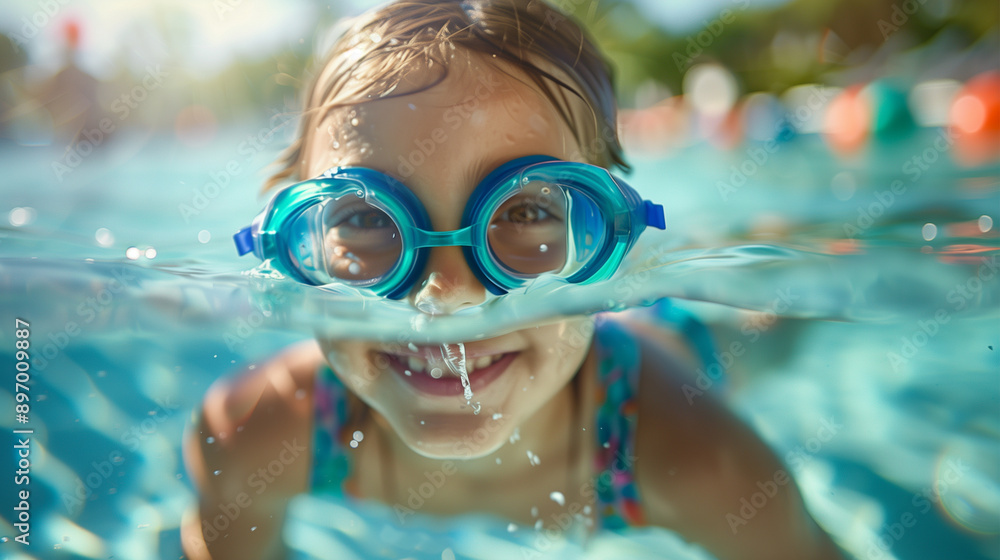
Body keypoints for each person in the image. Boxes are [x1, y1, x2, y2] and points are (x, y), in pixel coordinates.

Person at [182, 1, 844, 558]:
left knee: (773, 330)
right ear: (295, 243)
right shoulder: (258, 434)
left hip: (678, 348)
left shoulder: (700, 461)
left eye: (526, 212)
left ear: (609, 228)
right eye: (365, 217)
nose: (446, 294)